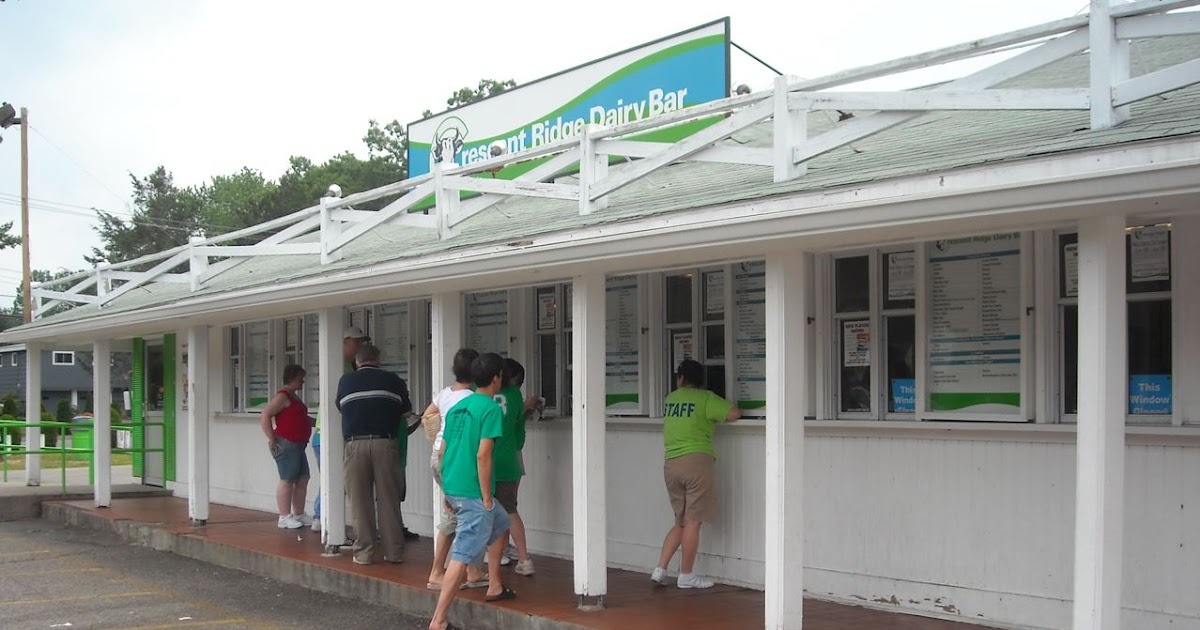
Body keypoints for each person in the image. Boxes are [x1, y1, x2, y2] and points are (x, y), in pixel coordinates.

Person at [429, 353, 514, 630]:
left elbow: (442, 451)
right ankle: (439, 620)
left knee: (502, 522)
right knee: (463, 553)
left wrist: (447, 490)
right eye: (501, 375)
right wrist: (487, 497)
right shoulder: (490, 409)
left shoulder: (457, 408)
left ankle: (494, 584)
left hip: (454, 485)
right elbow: (483, 455)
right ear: (495, 378)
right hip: (474, 493)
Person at [650, 359, 741, 589]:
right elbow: (733, 414)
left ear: (680, 378)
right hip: (696, 462)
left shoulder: (671, 399)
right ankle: (686, 575)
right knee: (693, 522)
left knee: (680, 521)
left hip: (671, 463)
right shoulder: (705, 398)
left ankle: (660, 569)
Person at [336, 343, 412, 565]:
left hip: (354, 444)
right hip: (385, 443)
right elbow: (406, 411)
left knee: (360, 500)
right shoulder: (394, 381)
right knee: (389, 499)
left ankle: (364, 553)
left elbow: (341, 407)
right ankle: (394, 552)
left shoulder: (346, 381)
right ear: (378, 360)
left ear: (357, 361)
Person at [424, 348, 487, 590]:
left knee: (461, 511)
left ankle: (471, 569)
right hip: (456, 460)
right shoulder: (472, 398)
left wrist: (438, 440)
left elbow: (426, 417)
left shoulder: (444, 394)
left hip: (439, 457)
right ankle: (439, 571)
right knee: (459, 514)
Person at [493, 358, 538, 576]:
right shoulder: (514, 396)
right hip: (508, 458)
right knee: (509, 508)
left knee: (482, 510)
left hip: (481, 460)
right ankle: (523, 557)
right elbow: (518, 428)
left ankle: (488, 556)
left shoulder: (477, 393)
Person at [260, 364, 315, 529]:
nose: (303, 382)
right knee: (287, 479)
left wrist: (319, 422)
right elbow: (265, 415)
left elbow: (302, 418)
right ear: (292, 378)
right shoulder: (283, 396)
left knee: (303, 478)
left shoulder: (294, 397)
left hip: (299, 444)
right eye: (300, 379)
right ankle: (284, 516)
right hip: (287, 443)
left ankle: (299, 513)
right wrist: (272, 439)